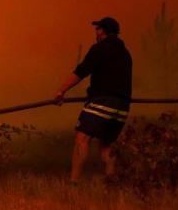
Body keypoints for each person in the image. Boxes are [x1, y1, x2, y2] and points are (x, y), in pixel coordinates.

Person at [54, 17, 132, 183]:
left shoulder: (100, 48)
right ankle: (110, 184)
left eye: (97, 29)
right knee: (106, 145)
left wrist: (61, 90)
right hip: (122, 106)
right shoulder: (126, 54)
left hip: (102, 101)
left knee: (82, 139)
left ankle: (73, 183)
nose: (95, 33)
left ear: (102, 30)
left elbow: (81, 72)